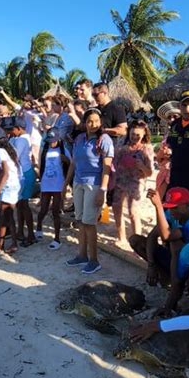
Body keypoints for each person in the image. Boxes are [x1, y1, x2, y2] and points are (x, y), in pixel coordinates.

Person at [130, 186, 189, 299]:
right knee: (135, 240)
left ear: (187, 205)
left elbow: (166, 236)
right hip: (173, 259)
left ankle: (178, 285)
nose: (171, 211)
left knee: (175, 244)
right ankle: (166, 276)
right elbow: (152, 236)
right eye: (169, 207)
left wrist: (158, 207)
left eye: (175, 207)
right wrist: (151, 265)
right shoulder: (172, 214)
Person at [63, 107, 114, 273]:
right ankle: (82, 255)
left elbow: (107, 167)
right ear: (84, 123)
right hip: (78, 182)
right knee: (79, 220)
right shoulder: (79, 139)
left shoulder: (104, 139)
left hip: (95, 184)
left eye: (97, 121)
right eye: (90, 121)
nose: (94, 124)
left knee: (89, 222)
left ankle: (94, 260)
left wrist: (103, 190)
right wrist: (66, 183)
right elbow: (73, 162)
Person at [112, 120, 153, 245]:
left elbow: (150, 173)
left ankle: (137, 242)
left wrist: (142, 166)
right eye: (133, 134)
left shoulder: (146, 149)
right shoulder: (121, 145)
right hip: (120, 180)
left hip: (136, 182)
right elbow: (113, 163)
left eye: (138, 135)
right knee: (117, 207)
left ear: (144, 135)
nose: (135, 137)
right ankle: (121, 237)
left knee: (133, 212)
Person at [0, 128, 21, 254]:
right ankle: (2, 243)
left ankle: (10, 243)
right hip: (14, 183)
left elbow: (5, 173)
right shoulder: (9, 148)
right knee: (6, 215)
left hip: (9, 185)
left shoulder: (0, 151)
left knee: (6, 216)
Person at [36, 128, 70, 249]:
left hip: (58, 184)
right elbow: (41, 166)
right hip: (46, 183)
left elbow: (70, 164)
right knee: (43, 209)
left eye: (53, 140)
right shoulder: (45, 150)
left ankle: (57, 238)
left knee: (56, 211)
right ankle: (39, 227)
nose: (51, 143)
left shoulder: (63, 150)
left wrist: (65, 160)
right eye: (49, 140)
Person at [9, 116, 37, 247]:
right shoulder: (21, 138)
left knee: (24, 206)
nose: (11, 132)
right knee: (20, 205)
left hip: (25, 174)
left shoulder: (21, 140)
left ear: (19, 129)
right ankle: (20, 231)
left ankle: (31, 234)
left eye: (12, 129)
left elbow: (15, 157)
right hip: (23, 172)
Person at [91, 83, 127, 148]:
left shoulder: (117, 108)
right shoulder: (95, 110)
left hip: (110, 147)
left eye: (96, 95)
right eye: (92, 95)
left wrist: (104, 130)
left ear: (105, 93)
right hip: (94, 146)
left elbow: (123, 130)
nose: (94, 97)